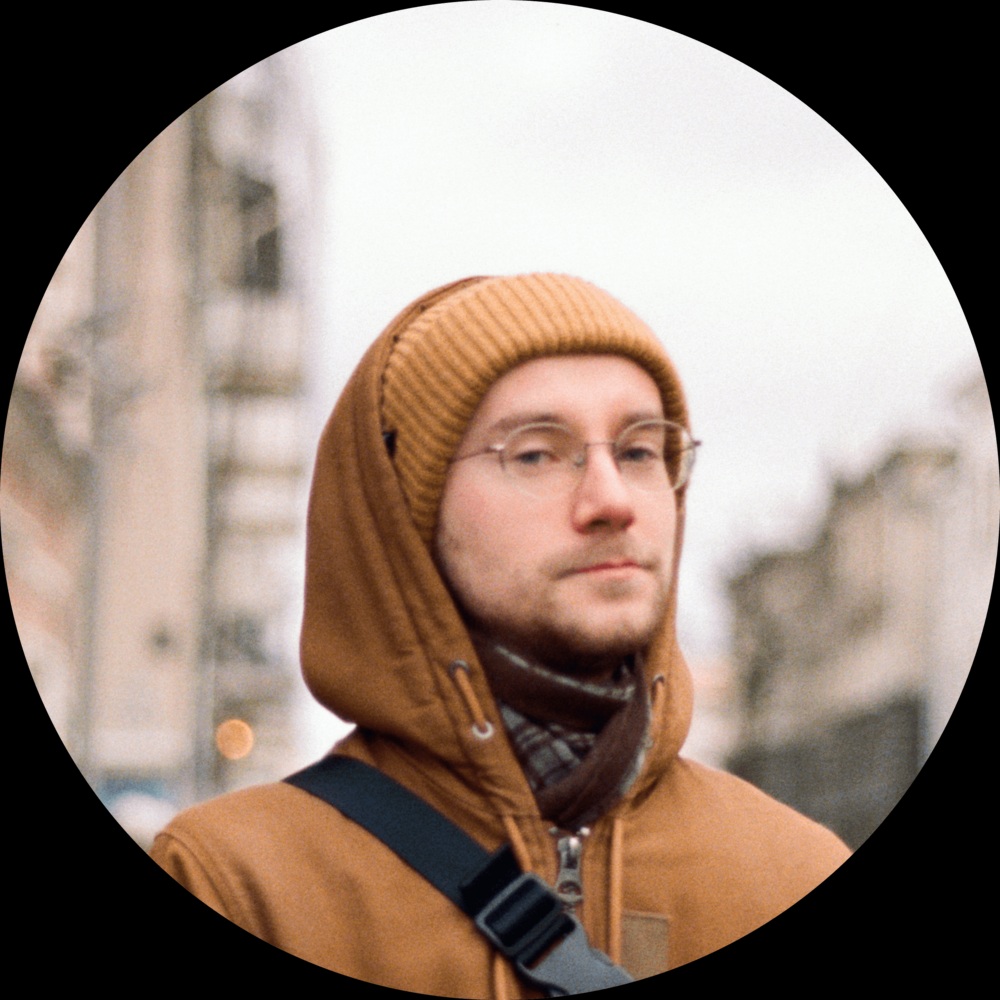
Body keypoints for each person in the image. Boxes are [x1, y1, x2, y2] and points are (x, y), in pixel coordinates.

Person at [151, 273, 850, 994]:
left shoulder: (794, 875)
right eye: (535, 453)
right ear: (405, 513)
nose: (611, 499)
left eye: (640, 452)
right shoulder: (235, 885)